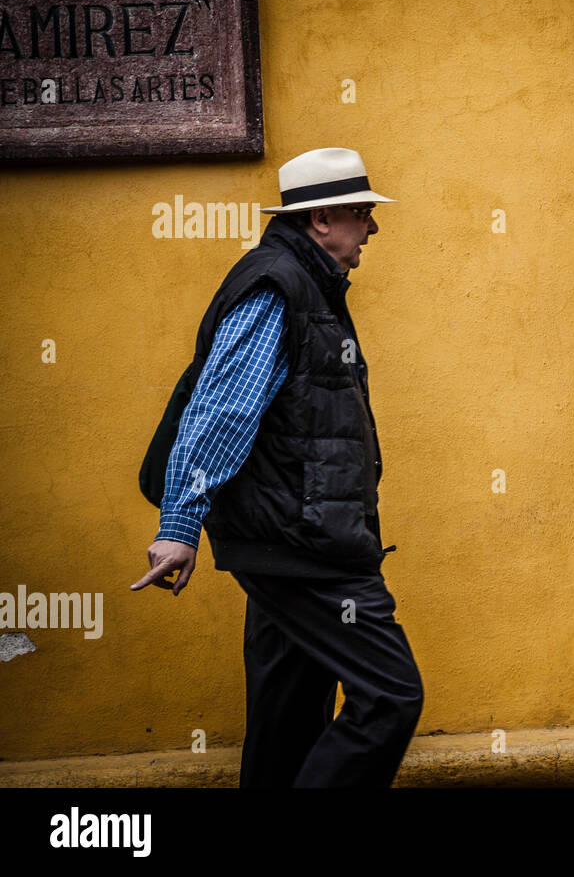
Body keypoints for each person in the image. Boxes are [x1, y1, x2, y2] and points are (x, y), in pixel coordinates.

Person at [131, 147, 424, 787]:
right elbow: (219, 415)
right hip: (302, 546)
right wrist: (179, 525)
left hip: (288, 541)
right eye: (362, 213)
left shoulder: (305, 285)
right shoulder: (278, 286)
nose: (372, 227)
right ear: (321, 219)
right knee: (391, 696)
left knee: (288, 719)